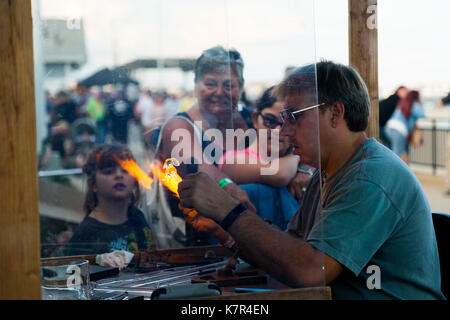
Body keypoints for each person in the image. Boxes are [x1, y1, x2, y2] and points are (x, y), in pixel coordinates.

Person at [178, 61, 445, 300]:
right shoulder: (327, 172)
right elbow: (287, 255)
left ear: (335, 113)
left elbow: (309, 270)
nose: (283, 129)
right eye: (283, 118)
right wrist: (223, 227)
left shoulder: (369, 178)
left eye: (293, 116)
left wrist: (229, 211)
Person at [154, 45, 255, 247]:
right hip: (201, 245)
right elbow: (200, 167)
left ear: (241, 86)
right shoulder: (179, 126)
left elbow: (287, 146)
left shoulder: (252, 119)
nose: (219, 92)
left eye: (229, 85)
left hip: (259, 235)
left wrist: (300, 170)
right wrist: (230, 188)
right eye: (210, 84)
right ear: (196, 85)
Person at [218, 86, 303, 230]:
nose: (278, 131)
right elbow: (279, 174)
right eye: (270, 121)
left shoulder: (305, 160)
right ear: (255, 119)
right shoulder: (232, 160)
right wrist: (297, 158)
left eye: (288, 123)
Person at [64, 145, 156, 256]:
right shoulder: (86, 234)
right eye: (109, 171)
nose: (119, 175)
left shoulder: (138, 217)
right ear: (93, 184)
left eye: (126, 170)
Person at [384, 90, 425, 164]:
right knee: (397, 154)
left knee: (393, 152)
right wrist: (420, 103)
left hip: (389, 128)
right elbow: (422, 114)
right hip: (399, 131)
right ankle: (396, 173)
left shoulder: (402, 103)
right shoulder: (414, 104)